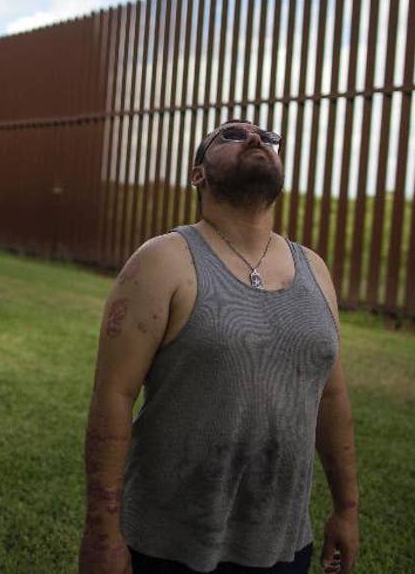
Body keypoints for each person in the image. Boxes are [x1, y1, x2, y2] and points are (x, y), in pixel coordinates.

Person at [79, 119, 360, 574]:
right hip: (168, 547)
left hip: (285, 546)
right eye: (231, 135)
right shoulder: (163, 260)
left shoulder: (315, 269)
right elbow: (113, 398)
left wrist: (347, 509)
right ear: (198, 174)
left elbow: (331, 396)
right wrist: (101, 532)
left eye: (269, 138)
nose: (256, 139)